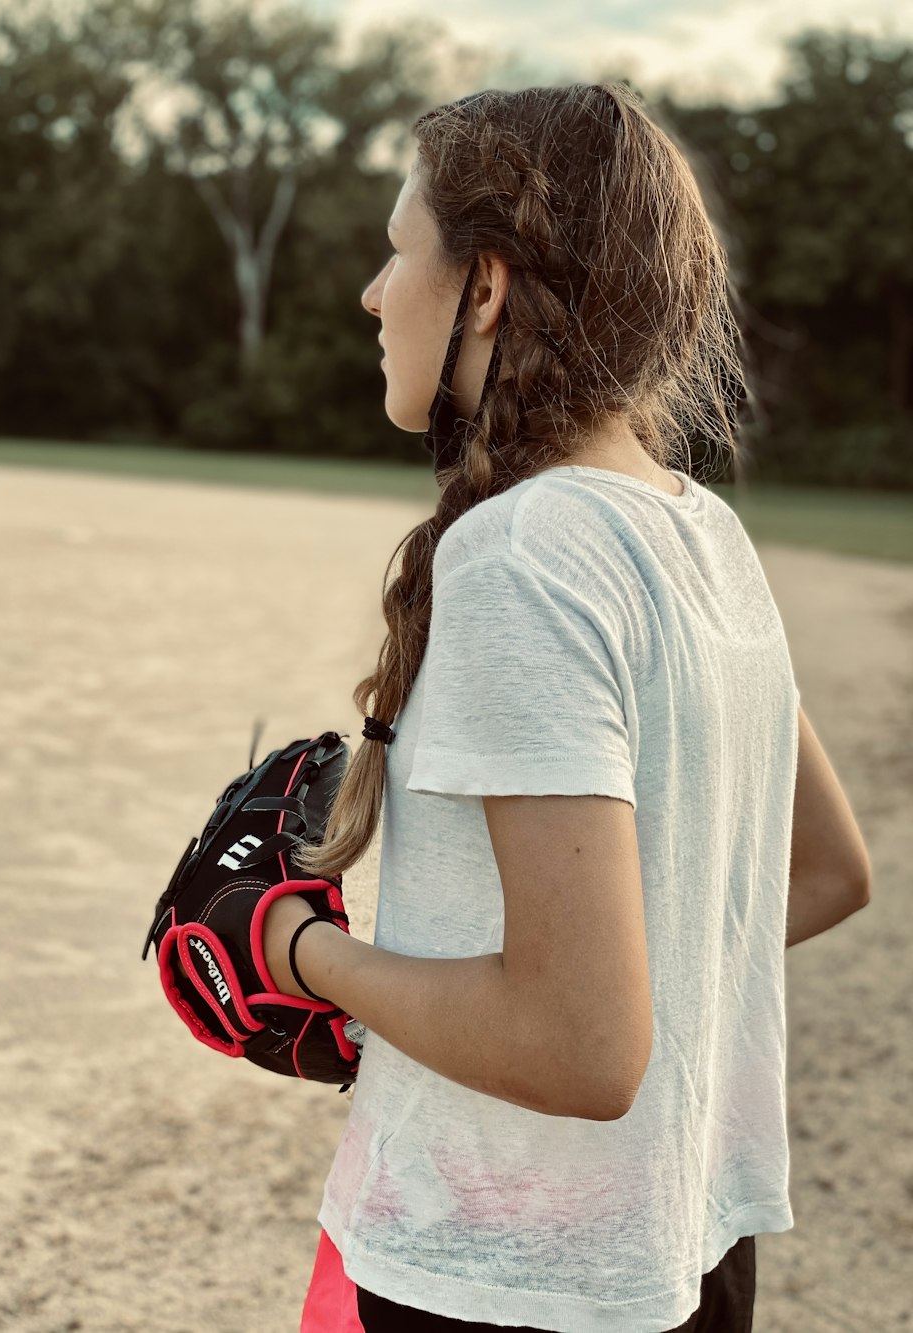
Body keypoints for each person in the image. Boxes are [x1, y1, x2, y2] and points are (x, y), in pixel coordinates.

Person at [261, 82, 873, 1332]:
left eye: (396, 253)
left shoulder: (524, 551)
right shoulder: (704, 534)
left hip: (510, 1283)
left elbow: (581, 1048)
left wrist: (294, 951)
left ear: (481, 289)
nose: (375, 296)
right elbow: (822, 873)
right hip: (681, 1248)